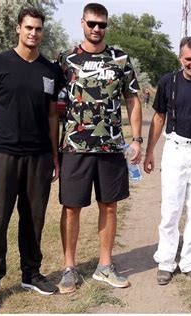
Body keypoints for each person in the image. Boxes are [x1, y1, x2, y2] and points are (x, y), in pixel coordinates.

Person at [56, 2, 142, 294]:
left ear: (106, 26)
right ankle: (69, 268)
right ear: (82, 23)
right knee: (71, 209)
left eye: (101, 24)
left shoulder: (120, 59)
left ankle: (105, 266)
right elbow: (53, 107)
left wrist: (137, 140)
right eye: (92, 23)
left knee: (109, 206)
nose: (96, 29)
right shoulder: (66, 60)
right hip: (74, 147)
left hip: (111, 148)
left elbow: (132, 99)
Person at [0, 7, 60, 310]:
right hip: (2, 153)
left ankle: (31, 273)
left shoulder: (50, 70)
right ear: (18, 28)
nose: (33, 33)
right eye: (28, 27)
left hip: (39, 156)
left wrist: (55, 156)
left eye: (38, 28)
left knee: (34, 219)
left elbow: (53, 115)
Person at [144, 36, 191, 285]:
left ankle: (190, 262)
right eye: (189, 59)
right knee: (171, 210)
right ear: (180, 59)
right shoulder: (168, 82)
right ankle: (166, 262)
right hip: (175, 150)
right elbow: (158, 118)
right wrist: (149, 151)